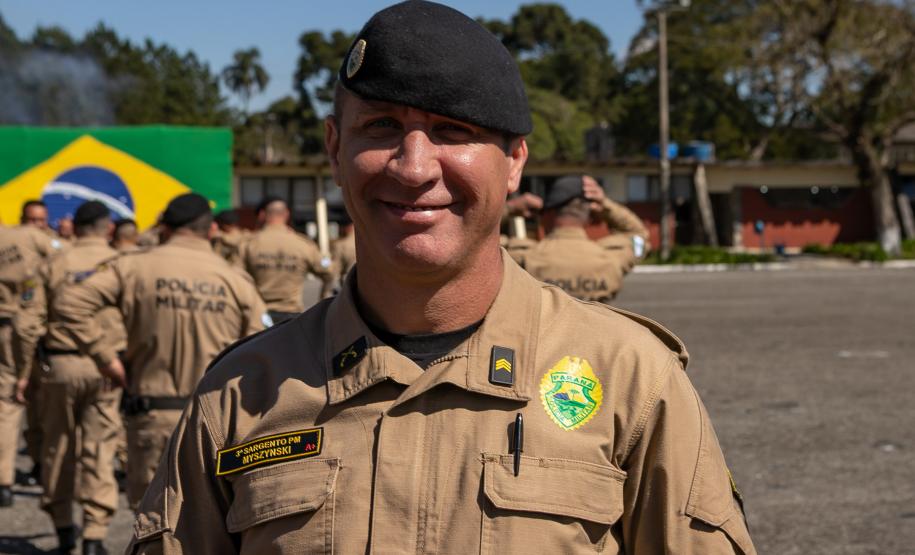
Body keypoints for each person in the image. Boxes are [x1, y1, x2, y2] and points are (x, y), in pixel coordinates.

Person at [127, 3, 755, 554]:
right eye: (381, 127)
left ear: (513, 164)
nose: (414, 166)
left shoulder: (632, 382)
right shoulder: (238, 395)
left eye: (456, 131)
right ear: (333, 147)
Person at [53, 193, 270, 509]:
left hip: (151, 415)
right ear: (210, 231)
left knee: (153, 519)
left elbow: (69, 303)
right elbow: (261, 347)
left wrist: (105, 357)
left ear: (165, 228)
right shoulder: (235, 280)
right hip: (217, 418)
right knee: (210, 519)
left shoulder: (133, 267)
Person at [22, 201, 125, 555]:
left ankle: (65, 527)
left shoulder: (52, 263)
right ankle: (95, 535)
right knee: (100, 448)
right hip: (107, 368)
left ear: (75, 227)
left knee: (58, 447)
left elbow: (31, 321)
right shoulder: (121, 264)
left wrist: (25, 373)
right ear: (107, 228)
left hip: (59, 366)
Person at [514, 175, 650, 302]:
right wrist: (606, 205)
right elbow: (639, 237)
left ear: (548, 214)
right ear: (590, 215)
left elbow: (492, 243)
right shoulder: (611, 257)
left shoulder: (524, 256)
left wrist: (509, 208)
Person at [0, 226, 45, 508]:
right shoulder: (27, 237)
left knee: (8, 402)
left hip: (8, 326)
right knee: (29, 398)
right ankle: (41, 466)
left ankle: (4, 481)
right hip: (31, 325)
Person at [239, 197, 334, 322]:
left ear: (263, 215)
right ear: (286, 214)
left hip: (259, 316)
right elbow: (328, 270)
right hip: (292, 316)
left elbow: (236, 276)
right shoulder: (303, 244)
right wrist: (323, 301)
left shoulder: (249, 243)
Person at [330, 212, 357, 283]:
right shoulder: (369, 241)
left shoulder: (340, 245)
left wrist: (325, 293)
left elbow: (334, 272)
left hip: (350, 285)